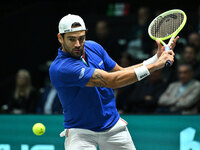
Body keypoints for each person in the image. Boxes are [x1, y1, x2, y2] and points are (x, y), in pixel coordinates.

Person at [49, 14, 177, 150]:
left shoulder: (93, 47)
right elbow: (112, 81)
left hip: (113, 126)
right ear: (60, 38)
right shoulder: (62, 68)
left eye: (81, 38)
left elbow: (120, 72)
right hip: (81, 132)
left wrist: (155, 58)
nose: (78, 44)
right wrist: (156, 66)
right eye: (71, 39)